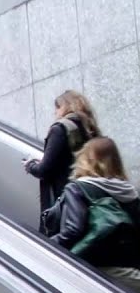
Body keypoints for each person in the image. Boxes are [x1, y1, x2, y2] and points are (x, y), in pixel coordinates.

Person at [42, 137, 140, 293]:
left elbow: (73, 229)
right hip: (129, 272)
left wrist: (45, 246)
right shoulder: (129, 192)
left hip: (93, 270)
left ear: (86, 160)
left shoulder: (78, 188)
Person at [24, 90, 102, 219]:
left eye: (57, 108)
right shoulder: (90, 128)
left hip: (65, 199)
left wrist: (30, 165)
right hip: (87, 194)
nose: (55, 113)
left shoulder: (60, 129)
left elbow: (43, 170)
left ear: (65, 106)